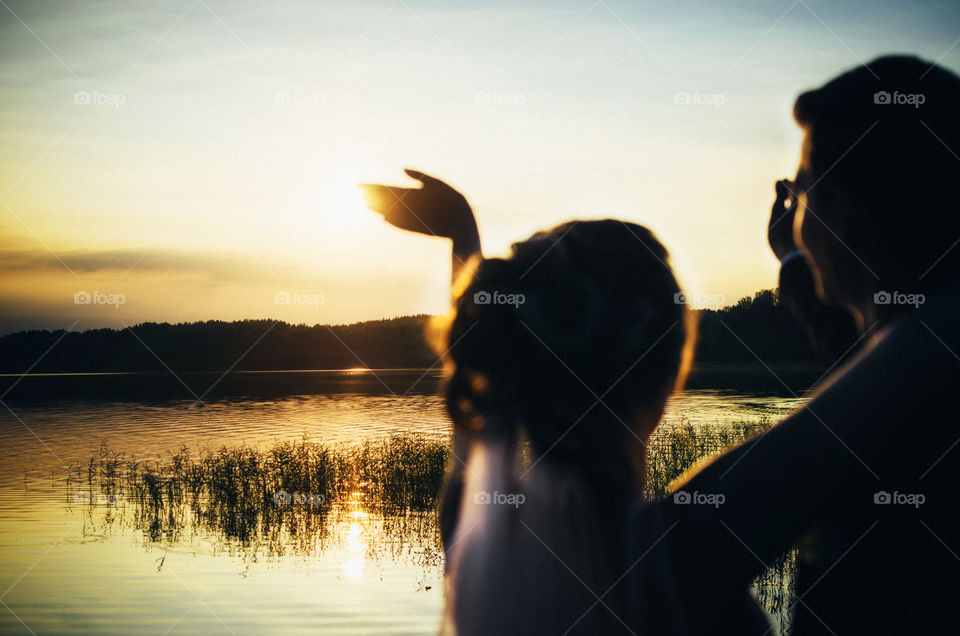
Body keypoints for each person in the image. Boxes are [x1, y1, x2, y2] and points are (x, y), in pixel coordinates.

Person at [629, 55, 960, 635]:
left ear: (845, 213)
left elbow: (668, 553)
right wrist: (793, 256)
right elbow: (859, 363)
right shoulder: (921, 355)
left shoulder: (925, 362)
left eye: (805, 192)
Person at [363, 174, 696, 634]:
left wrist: (462, 236)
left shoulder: (480, 543)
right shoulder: (683, 561)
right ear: (664, 381)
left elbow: (485, 363)